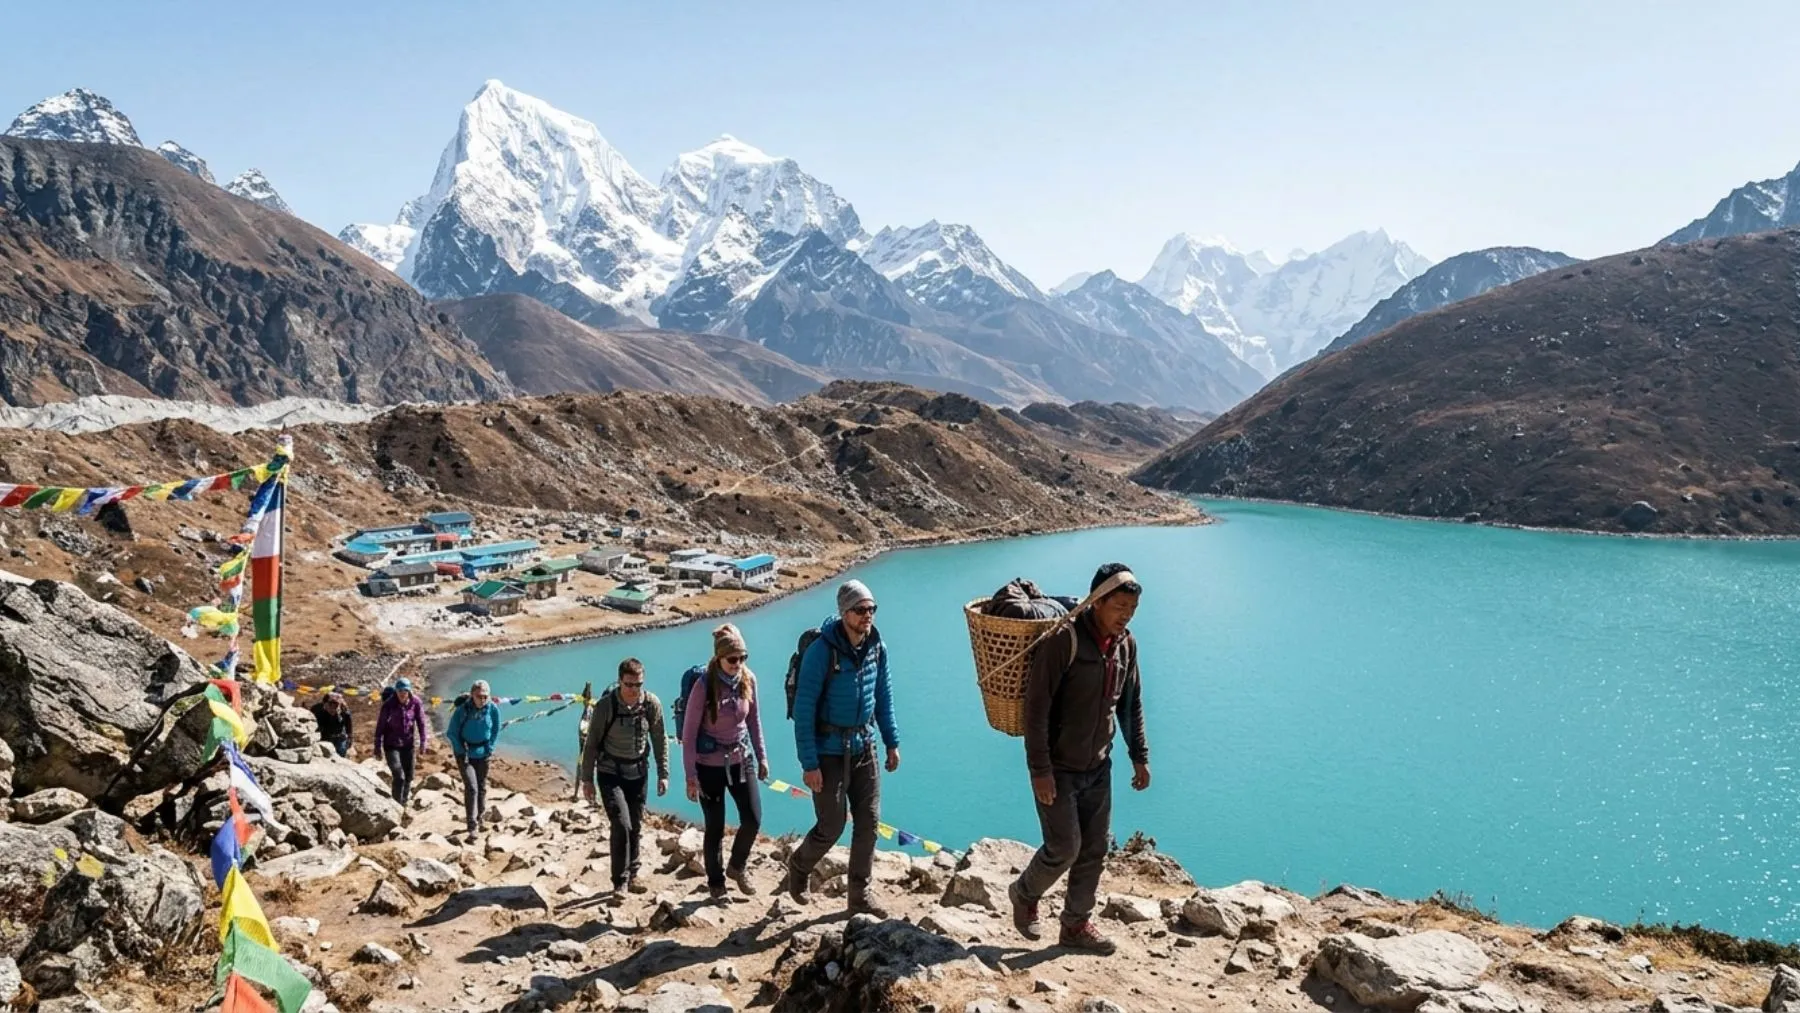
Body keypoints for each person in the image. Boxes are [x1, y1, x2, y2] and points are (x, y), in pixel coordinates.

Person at [1008, 562, 1151, 955]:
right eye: (1119, 606)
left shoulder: (1126, 645)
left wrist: (1139, 755)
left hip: (1098, 766)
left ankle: (1075, 926)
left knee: (1094, 850)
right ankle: (1024, 893)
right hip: (1058, 768)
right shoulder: (1064, 641)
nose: (1126, 616)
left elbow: (1130, 703)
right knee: (1064, 847)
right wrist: (1040, 769)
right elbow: (1035, 711)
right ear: (1097, 601)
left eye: (1132, 610)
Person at [784, 579, 901, 918]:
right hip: (828, 751)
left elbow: (883, 697)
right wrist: (809, 763)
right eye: (861, 610)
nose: (868, 616)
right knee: (832, 824)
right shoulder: (823, 651)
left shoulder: (877, 647)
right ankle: (800, 864)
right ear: (844, 613)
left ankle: (859, 896)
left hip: (865, 746)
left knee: (869, 821)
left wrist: (892, 741)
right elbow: (804, 709)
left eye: (872, 609)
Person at [680, 624, 768, 901]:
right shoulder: (703, 685)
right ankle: (716, 883)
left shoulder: (748, 680)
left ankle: (737, 866)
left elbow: (753, 720)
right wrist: (690, 776)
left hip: (742, 759)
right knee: (715, 826)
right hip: (709, 765)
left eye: (743, 658)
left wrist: (762, 756)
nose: (738, 664)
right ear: (719, 658)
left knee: (753, 819)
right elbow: (689, 733)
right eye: (732, 659)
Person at [578, 659, 669, 898]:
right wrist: (587, 779)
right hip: (610, 772)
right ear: (620, 681)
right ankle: (620, 881)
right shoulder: (606, 706)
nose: (633, 690)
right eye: (629, 684)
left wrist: (664, 774)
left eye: (638, 684)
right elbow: (591, 744)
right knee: (621, 824)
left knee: (636, 825)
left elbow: (659, 739)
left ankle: (634, 872)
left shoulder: (651, 704)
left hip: (639, 772)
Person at [447, 680, 502, 839]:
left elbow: (496, 728)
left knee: (482, 786)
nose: (483, 699)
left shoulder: (492, 708)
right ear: (472, 695)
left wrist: (490, 746)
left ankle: (480, 817)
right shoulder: (462, 710)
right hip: (464, 752)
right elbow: (451, 732)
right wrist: (460, 750)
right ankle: (472, 826)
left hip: (483, 752)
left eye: (485, 696)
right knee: (472, 787)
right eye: (479, 696)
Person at [373, 678, 430, 805]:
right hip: (391, 744)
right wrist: (377, 746)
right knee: (399, 775)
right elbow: (380, 725)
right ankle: (396, 804)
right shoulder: (388, 704)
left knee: (409, 776)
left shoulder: (416, 702)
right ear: (396, 691)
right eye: (399, 691)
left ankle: (403, 802)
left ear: (409, 691)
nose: (402, 693)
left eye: (405, 690)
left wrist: (423, 742)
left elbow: (421, 723)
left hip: (408, 744)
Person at [311, 692, 353, 757]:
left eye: (336, 704)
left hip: (340, 737)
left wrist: (350, 737)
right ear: (325, 703)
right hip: (324, 737)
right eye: (330, 704)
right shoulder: (317, 709)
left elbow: (348, 724)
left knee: (340, 756)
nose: (333, 708)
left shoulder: (344, 710)